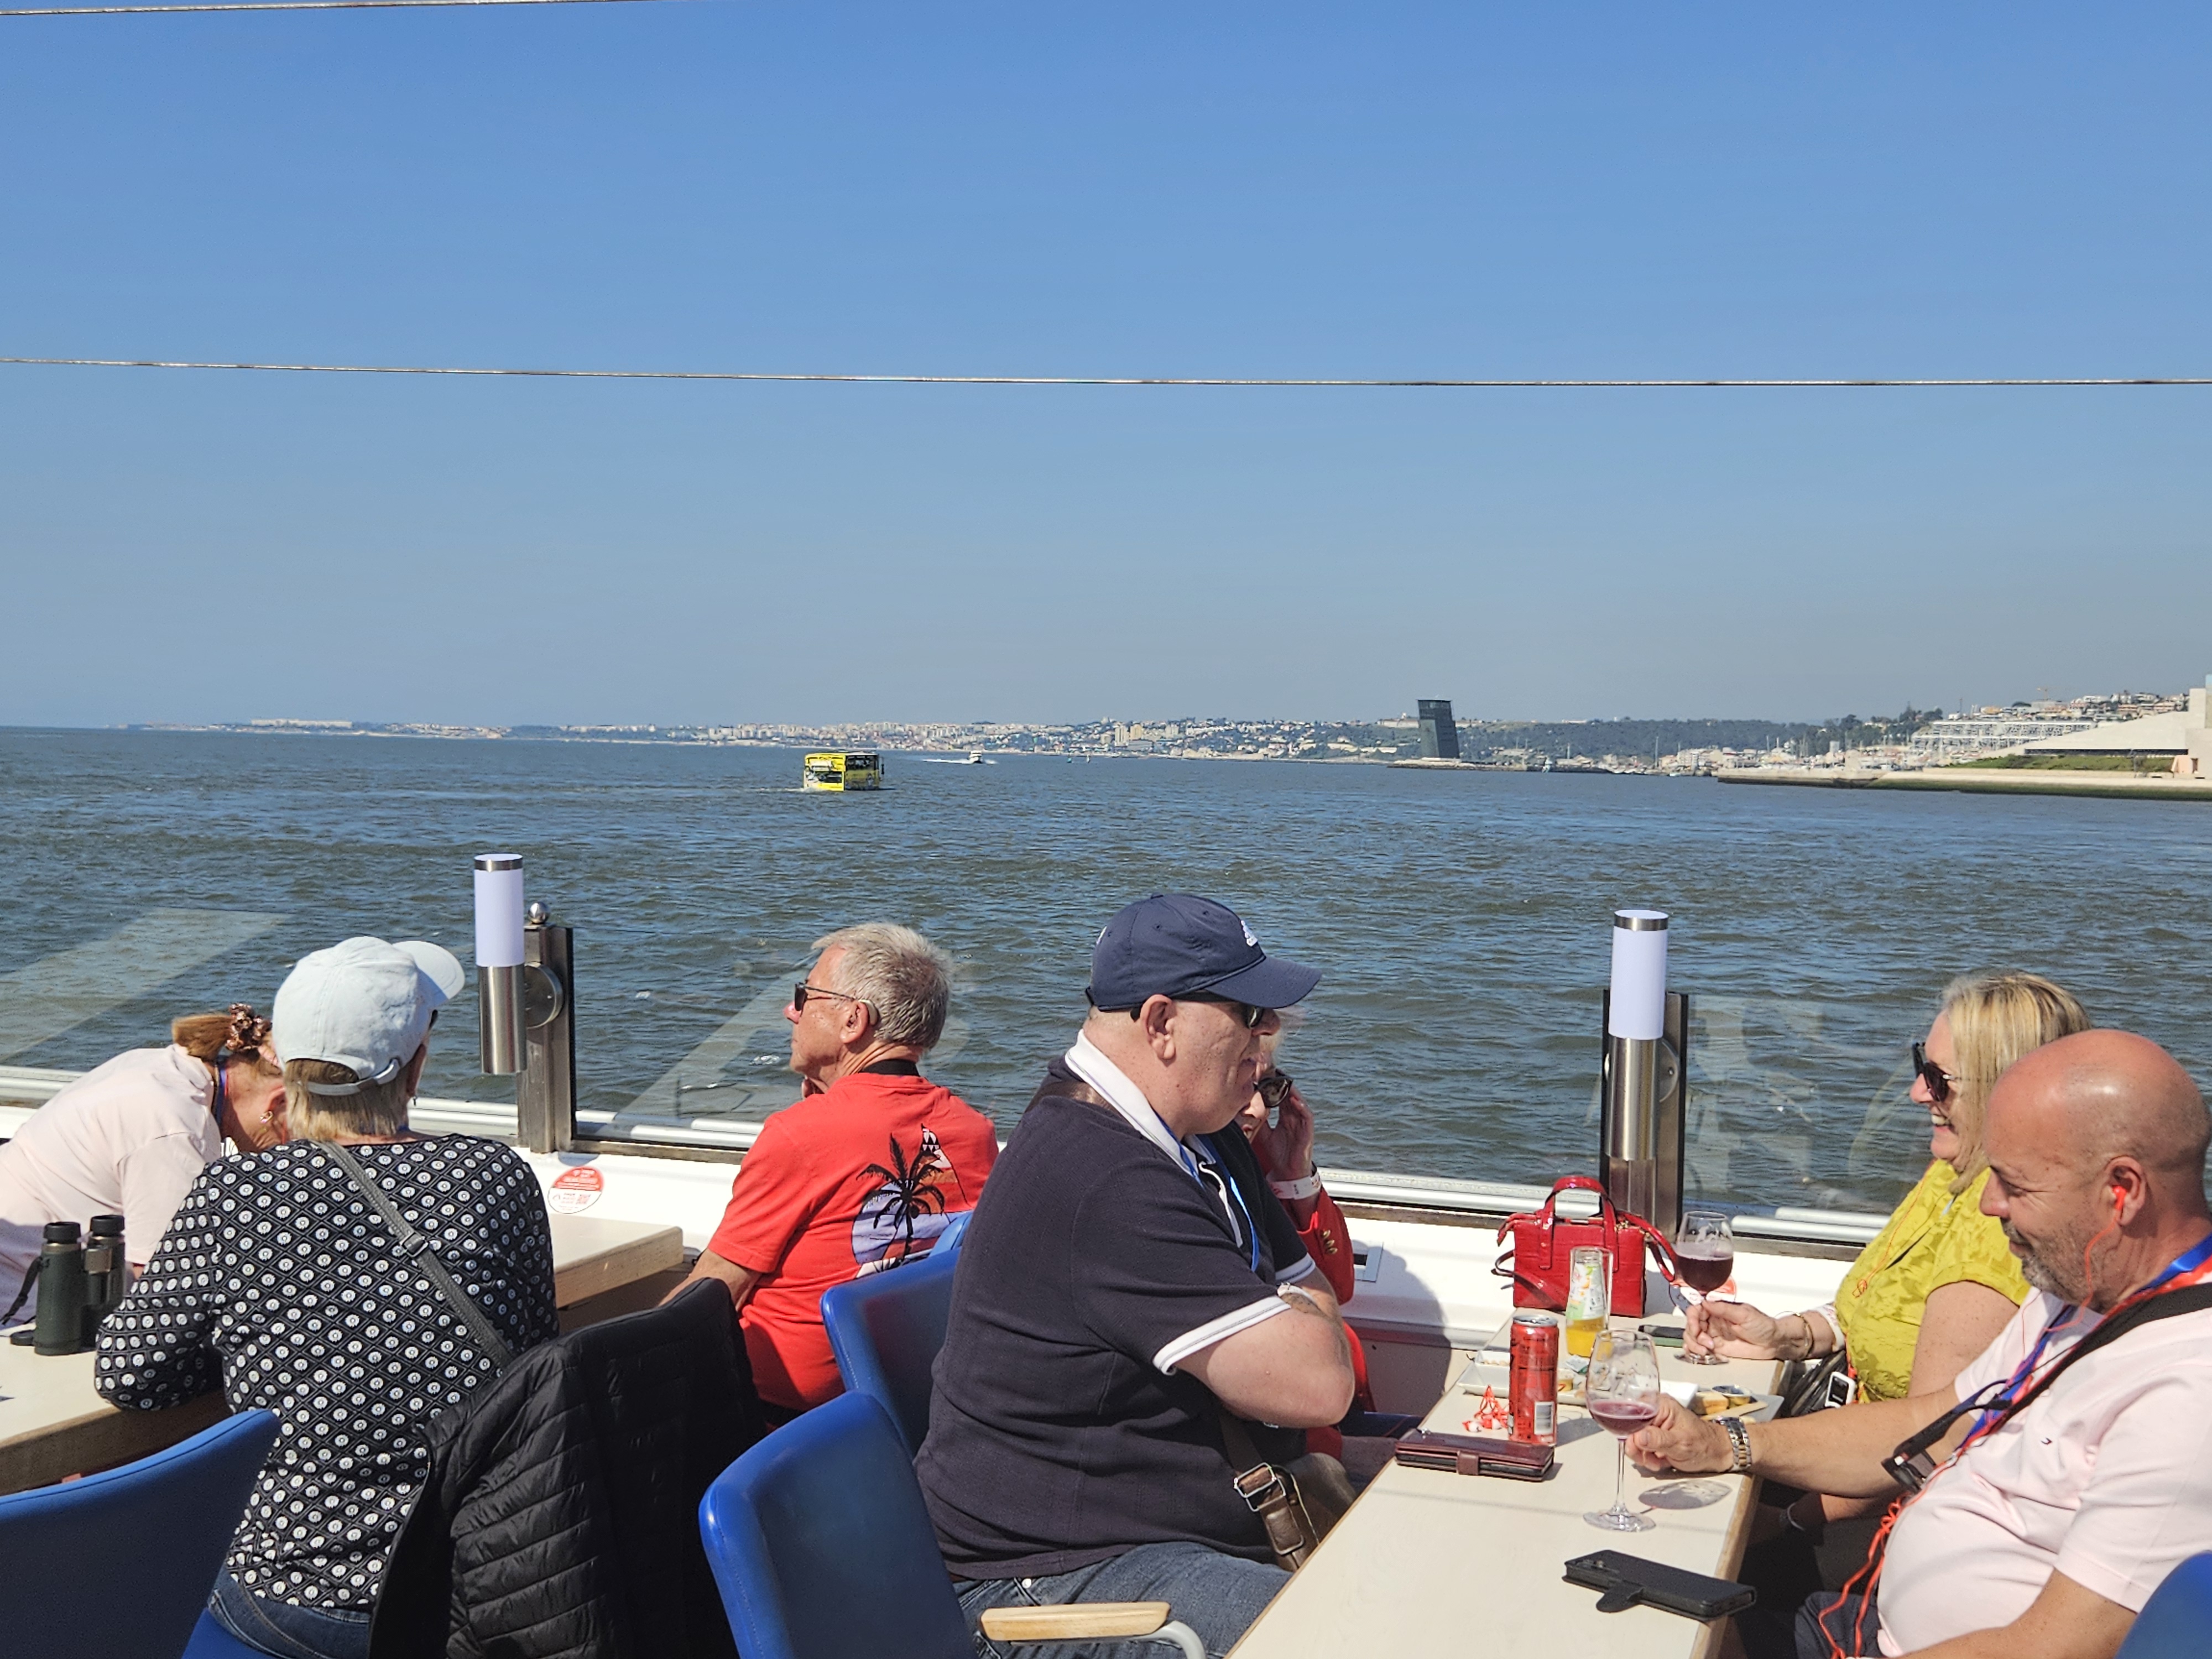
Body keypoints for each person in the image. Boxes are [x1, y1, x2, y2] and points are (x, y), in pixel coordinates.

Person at [1628, 1029, 2212, 1659]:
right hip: (1867, 1628)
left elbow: (2057, 1647)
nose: (1989, 1205)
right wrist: (1722, 1444)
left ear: (2122, 1190)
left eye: (2015, 1186)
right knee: (1644, 1609)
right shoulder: (2079, 1293)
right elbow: (1929, 1425)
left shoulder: (2188, 1389)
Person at [917, 894, 1356, 1659]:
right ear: (1160, 1023)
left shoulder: (1203, 1137)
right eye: (1251, 1015)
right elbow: (1319, 1384)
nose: (1268, 1041)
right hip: (1048, 1580)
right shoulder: (1103, 1175)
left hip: (1184, 1528)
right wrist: (1288, 1320)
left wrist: (1291, 1316)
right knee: (1339, 1637)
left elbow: (1319, 1301)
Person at [96, 937, 558, 1659]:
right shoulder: (493, 1176)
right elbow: (534, 1355)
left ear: (289, 1071)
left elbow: (131, 1375)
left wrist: (250, 1347)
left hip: (293, 1601)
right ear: (414, 1068)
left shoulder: (235, 1193)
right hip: (473, 1587)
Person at [1692, 972, 2088, 1578]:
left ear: (2006, 1090)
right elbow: (1875, 1302)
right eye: (1921, 1067)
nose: (1916, 1092)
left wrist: (1783, 1518)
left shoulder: (1996, 1233)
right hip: (1835, 1456)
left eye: (1939, 1080)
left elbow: (1924, 1444)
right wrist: (1786, 1336)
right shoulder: (1953, 1174)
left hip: (1873, 1520)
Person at [667, 924, 998, 1421]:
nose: (791, 1010)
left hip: (770, 1421)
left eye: (805, 996)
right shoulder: (973, 1132)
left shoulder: (801, 1135)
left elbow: (709, 1296)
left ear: (853, 1020)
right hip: (906, 1406)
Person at [0, 1002, 290, 1322]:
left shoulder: (157, 1066)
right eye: (298, 1130)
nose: (290, 1146)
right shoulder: (176, 1127)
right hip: (25, 1304)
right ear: (277, 1102)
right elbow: (167, 1287)